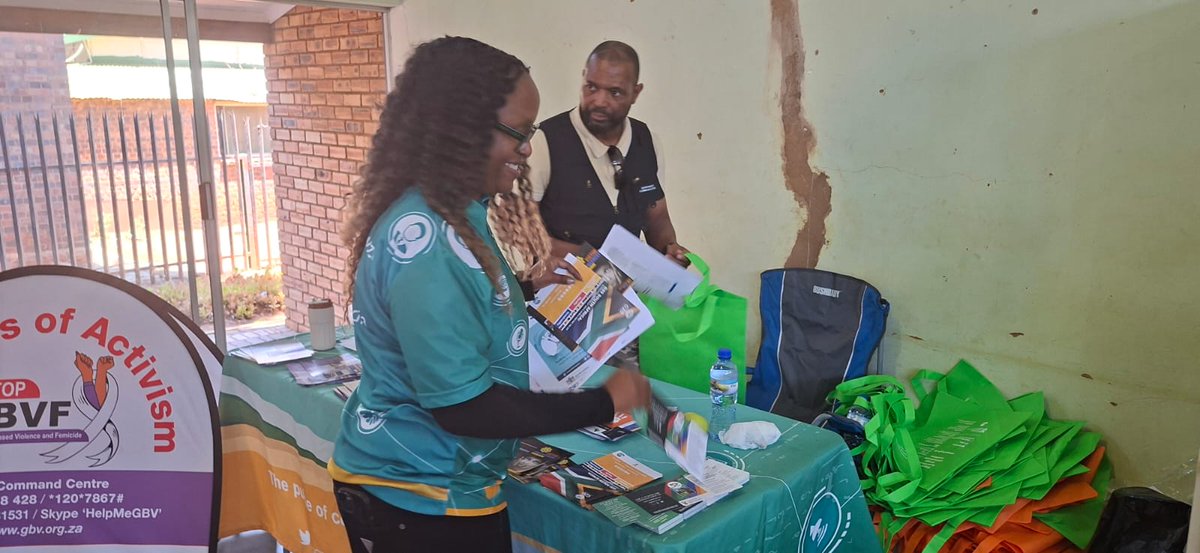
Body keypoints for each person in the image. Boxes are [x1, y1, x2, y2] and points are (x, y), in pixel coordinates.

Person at [330, 37, 652, 553]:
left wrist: (524, 289)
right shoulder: (430, 239)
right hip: (421, 497)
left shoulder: (457, 210)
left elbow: (455, 310)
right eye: (519, 133)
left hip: (444, 484)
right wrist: (602, 402)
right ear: (462, 132)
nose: (528, 148)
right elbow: (467, 409)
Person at [527, 40, 690, 266]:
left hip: (627, 295)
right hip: (563, 292)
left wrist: (669, 251)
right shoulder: (545, 142)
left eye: (615, 92)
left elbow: (657, 218)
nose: (599, 101)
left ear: (636, 92)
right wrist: (597, 260)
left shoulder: (647, 141)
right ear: (583, 77)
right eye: (591, 87)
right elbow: (524, 234)